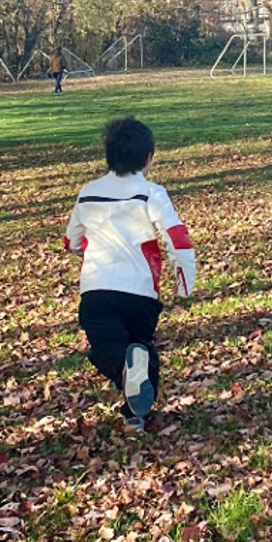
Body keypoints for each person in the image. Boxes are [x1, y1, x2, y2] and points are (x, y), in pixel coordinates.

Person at [64, 117, 195, 433]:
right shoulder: (151, 193)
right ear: (149, 157)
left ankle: (127, 374)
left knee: (108, 349)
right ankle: (135, 416)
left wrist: (89, 253)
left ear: (107, 155)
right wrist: (184, 284)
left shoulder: (88, 192)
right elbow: (178, 237)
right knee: (141, 348)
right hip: (140, 293)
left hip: (96, 291)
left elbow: (71, 241)